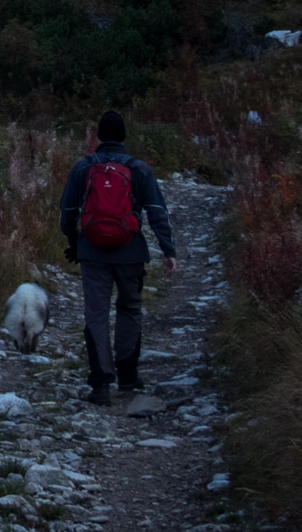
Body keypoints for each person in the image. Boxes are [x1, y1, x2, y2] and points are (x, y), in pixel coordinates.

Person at [60, 110, 178, 405]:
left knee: (97, 314)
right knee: (130, 309)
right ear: (124, 136)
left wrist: (75, 243)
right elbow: (157, 212)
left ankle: (100, 382)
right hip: (131, 252)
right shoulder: (139, 169)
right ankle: (127, 374)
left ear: (99, 136)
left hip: (92, 252)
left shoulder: (82, 167)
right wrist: (168, 250)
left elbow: (67, 213)